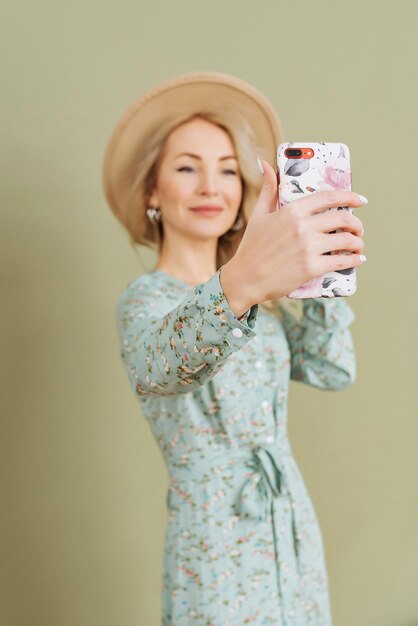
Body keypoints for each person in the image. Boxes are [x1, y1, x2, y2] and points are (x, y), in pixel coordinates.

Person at [102, 71, 367, 626]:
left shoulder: (266, 304)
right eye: (186, 168)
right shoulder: (145, 302)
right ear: (152, 191)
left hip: (289, 523)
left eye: (227, 170)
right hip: (215, 543)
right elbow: (165, 367)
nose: (210, 187)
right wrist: (242, 281)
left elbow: (333, 367)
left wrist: (319, 271)